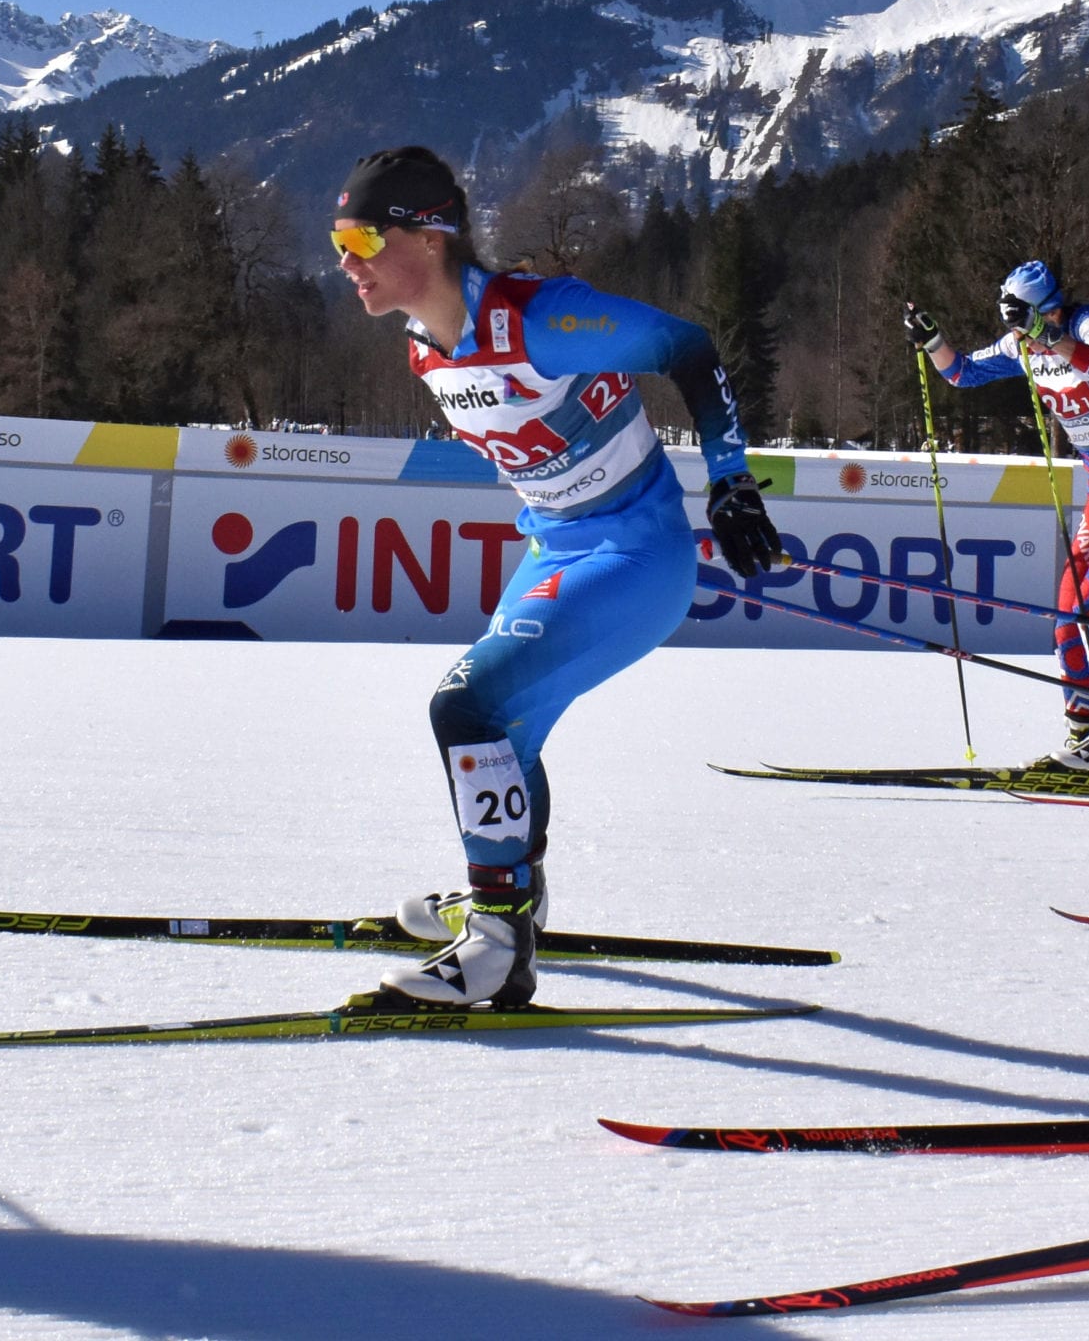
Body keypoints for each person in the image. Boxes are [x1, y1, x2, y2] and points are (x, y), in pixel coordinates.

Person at [331, 147, 784, 1008]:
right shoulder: (424, 348)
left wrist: (730, 481)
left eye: (359, 238)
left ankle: (499, 946)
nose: (345, 262)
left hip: (633, 556)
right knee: (502, 734)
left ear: (427, 239)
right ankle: (513, 897)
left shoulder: (539, 318)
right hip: (556, 548)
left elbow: (690, 349)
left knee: (466, 709)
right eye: (335, 242)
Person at [905, 262, 1089, 771]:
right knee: (1067, 609)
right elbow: (962, 372)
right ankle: (1081, 733)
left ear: (1050, 311)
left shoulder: (1085, 324)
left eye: (1030, 322)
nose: (1024, 336)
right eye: (1020, 325)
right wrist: (932, 342)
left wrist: (1050, 335)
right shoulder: (1022, 344)